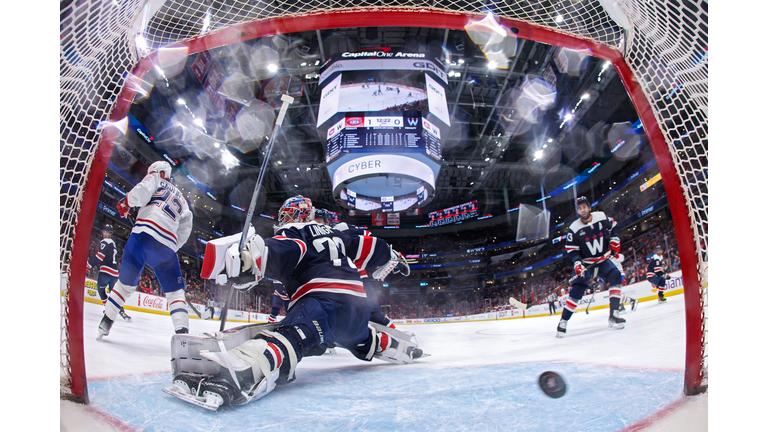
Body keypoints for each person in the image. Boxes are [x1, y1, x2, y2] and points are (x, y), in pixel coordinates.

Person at [168, 195, 418, 409]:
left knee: (291, 336)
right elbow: (370, 246)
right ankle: (398, 346)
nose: (284, 220)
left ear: (300, 215)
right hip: (358, 309)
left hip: (322, 302)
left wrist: (250, 260)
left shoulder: (296, 231)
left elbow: (285, 250)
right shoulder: (338, 234)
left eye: (288, 215)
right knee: (361, 336)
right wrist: (392, 256)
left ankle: (241, 373)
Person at [98, 160, 193, 339]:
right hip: (165, 243)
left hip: (139, 237)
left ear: (158, 172)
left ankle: (105, 322)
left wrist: (127, 201)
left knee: (124, 286)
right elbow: (185, 229)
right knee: (174, 293)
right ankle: (182, 334)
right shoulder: (183, 200)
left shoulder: (155, 177)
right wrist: (171, 247)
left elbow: (142, 193)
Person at [557, 196, 625, 338]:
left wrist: (615, 239)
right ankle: (563, 321)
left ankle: (614, 314)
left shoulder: (601, 217)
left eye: (584, 207)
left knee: (615, 275)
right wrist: (577, 263)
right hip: (586, 263)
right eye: (580, 208)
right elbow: (572, 250)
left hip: (602, 260)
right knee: (577, 290)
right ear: (578, 211)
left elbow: (615, 226)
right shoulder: (574, 228)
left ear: (589, 207)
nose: (582, 210)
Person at [88, 224, 132, 322]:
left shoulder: (105, 241)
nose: (105, 234)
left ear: (110, 234)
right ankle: (122, 312)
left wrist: (89, 264)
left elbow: (100, 257)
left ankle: (108, 309)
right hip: (114, 273)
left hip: (105, 272)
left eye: (107, 232)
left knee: (101, 290)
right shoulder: (113, 243)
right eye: (105, 232)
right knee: (115, 295)